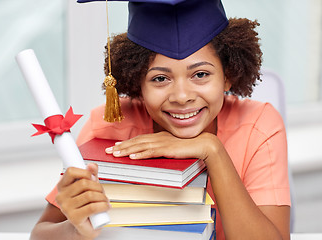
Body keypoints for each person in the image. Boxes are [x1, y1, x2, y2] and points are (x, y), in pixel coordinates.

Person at [30, 0, 291, 239]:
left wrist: (212, 149)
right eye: (160, 79)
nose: (181, 96)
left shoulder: (258, 124)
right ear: (136, 83)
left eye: (200, 74)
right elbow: (40, 233)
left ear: (228, 75)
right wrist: (75, 230)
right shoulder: (109, 125)